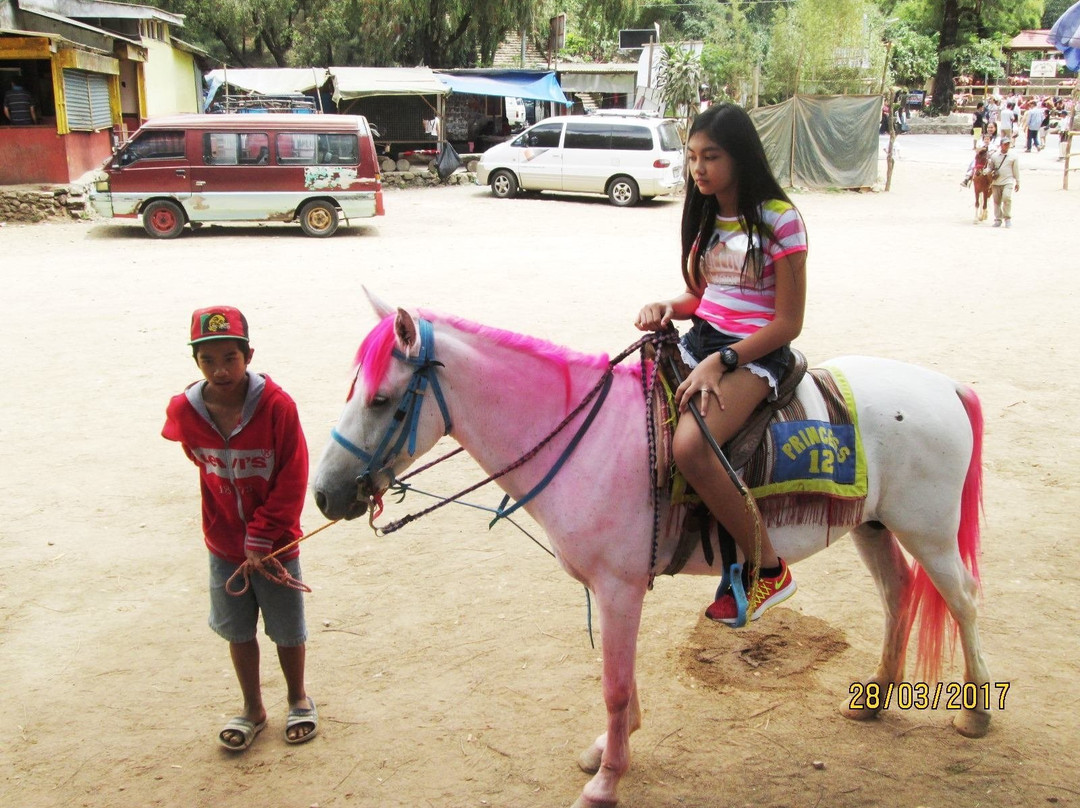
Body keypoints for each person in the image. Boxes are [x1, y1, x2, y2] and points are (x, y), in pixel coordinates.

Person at [635, 103, 805, 626]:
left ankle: (768, 566)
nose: (698, 169)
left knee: (691, 446)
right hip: (704, 337)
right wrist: (670, 306)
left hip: (755, 352)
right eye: (691, 157)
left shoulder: (779, 217)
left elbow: (788, 323)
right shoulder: (707, 213)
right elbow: (707, 295)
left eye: (711, 156)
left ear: (740, 156)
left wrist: (723, 360)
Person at [162, 306, 317, 751]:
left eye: (230, 358)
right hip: (223, 545)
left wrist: (263, 535)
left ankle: (298, 698)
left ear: (248, 355)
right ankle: (253, 708)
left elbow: (293, 477)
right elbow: (198, 458)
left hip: (276, 547)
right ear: (196, 363)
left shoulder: (278, 407)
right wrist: (235, 535)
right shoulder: (184, 411)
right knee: (238, 630)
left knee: (288, 629)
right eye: (208, 361)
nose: (220, 370)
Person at [987, 136, 1020, 228]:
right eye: (1005, 144)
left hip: (1008, 181)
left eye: (1008, 144)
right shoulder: (994, 156)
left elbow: (1016, 170)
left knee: (1007, 198)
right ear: (1001, 145)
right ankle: (998, 219)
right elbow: (990, 167)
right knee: (997, 201)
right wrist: (986, 171)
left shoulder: (1013, 156)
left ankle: (1007, 218)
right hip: (996, 182)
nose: (1007, 146)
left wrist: (1018, 181)